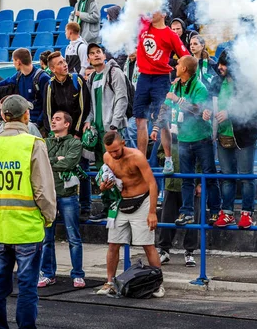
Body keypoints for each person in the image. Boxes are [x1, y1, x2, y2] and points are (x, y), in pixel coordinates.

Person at [0, 94, 56, 329]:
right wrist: (48, 217)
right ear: (26, 116)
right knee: (27, 288)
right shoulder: (33, 143)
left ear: (3, 116)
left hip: (0, 225)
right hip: (28, 227)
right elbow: (43, 189)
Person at [152, 55, 222, 227]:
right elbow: (166, 107)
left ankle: (214, 211)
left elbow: (198, 110)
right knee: (186, 179)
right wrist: (155, 127)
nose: (175, 65)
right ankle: (186, 212)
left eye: (178, 63)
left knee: (210, 176)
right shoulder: (176, 85)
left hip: (202, 139)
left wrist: (179, 101)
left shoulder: (200, 87)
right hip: (183, 139)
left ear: (184, 69)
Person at [96, 131, 164, 297]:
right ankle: (110, 282)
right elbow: (103, 181)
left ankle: (157, 284)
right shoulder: (107, 157)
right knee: (113, 243)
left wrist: (152, 212)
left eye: (115, 150)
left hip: (142, 201)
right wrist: (104, 187)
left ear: (123, 143)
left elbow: (153, 184)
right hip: (120, 202)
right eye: (109, 151)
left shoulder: (137, 156)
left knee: (147, 244)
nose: (113, 154)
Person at [202, 51, 257, 229]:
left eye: (224, 64)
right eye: (219, 63)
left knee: (246, 176)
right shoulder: (217, 81)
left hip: (244, 136)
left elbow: (252, 108)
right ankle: (227, 213)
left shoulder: (246, 84)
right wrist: (207, 112)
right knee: (227, 177)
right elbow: (208, 102)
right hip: (222, 135)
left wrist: (229, 113)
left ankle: (246, 214)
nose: (220, 67)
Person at [134, 11, 189, 173]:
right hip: (143, 77)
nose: (149, 12)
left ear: (164, 13)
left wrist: (180, 76)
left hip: (161, 79)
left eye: (154, 8)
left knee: (163, 121)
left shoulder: (170, 34)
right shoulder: (144, 25)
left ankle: (168, 160)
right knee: (140, 120)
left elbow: (186, 57)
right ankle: (141, 161)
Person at [41, 51, 92, 219]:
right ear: (53, 69)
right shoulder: (49, 85)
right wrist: (53, 135)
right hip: (59, 134)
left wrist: (77, 134)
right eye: (60, 63)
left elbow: (84, 108)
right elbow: (48, 113)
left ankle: (85, 207)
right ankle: (57, 207)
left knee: (82, 167)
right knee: (56, 169)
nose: (65, 64)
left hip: (77, 133)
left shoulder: (77, 80)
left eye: (64, 61)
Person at [40, 111, 86, 288]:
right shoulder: (45, 142)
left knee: (73, 237)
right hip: (49, 195)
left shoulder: (75, 142)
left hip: (68, 195)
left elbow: (70, 163)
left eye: (58, 119)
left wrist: (52, 161)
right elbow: (40, 162)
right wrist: (56, 159)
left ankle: (78, 274)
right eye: (52, 119)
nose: (53, 121)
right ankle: (48, 274)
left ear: (67, 124)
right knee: (46, 239)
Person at [83, 43, 128, 222]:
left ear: (104, 54)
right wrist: (88, 121)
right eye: (92, 53)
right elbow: (91, 105)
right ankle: (107, 205)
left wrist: (115, 125)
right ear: (88, 59)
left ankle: (123, 205)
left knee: (118, 169)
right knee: (104, 170)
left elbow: (121, 98)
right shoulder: (91, 77)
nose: (96, 55)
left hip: (112, 130)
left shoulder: (114, 72)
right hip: (99, 131)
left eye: (98, 52)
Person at [156, 133, 198, 267]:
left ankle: (189, 252)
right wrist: (169, 160)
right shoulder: (169, 133)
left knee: (192, 220)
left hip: (191, 185)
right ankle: (164, 251)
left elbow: (202, 159)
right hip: (171, 183)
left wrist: (199, 183)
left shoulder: (195, 132)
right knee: (166, 218)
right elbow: (160, 153)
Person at [0, 48, 50, 127]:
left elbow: (47, 104)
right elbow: (7, 81)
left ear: (18, 62)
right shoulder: (19, 75)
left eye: (13, 60)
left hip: (37, 123)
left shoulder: (42, 78)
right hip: (23, 120)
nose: (13, 63)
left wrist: (38, 123)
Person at [123, 50, 139, 149]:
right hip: (128, 103)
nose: (131, 51)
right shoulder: (125, 63)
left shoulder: (143, 63)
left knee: (131, 129)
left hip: (139, 102)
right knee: (126, 131)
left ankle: (136, 156)